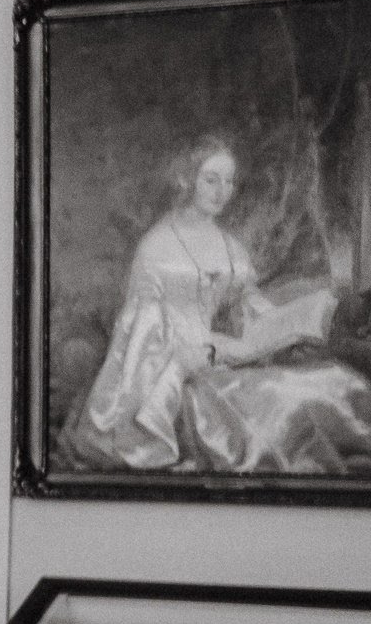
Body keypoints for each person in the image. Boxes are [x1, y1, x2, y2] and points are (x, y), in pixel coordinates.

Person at [60, 137, 371, 475]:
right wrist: (192, 358)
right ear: (187, 179)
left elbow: (251, 311)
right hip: (173, 377)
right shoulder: (157, 246)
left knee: (336, 381)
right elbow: (138, 338)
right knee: (283, 404)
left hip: (223, 360)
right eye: (211, 179)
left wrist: (292, 321)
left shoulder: (229, 245)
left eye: (229, 181)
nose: (222, 190)